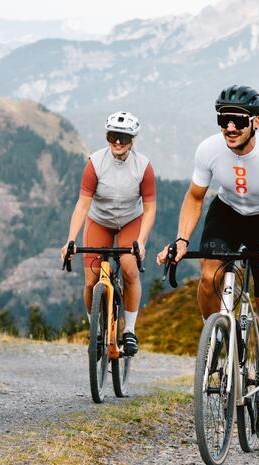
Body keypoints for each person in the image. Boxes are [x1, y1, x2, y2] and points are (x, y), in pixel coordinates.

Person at [157, 85, 259, 440]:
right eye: (223, 119)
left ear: (255, 122)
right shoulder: (209, 150)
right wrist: (180, 241)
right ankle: (217, 338)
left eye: (237, 120)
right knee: (208, 277)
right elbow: (195, 198)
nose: (229, 128)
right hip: (226, 213)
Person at [62, 111, 157, 356]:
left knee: (129, 268)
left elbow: (149, 208)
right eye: (112, 136)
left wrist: (141, 241)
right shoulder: (95, 163)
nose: (117, 142)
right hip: (100, 220)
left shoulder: (143, 166)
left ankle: (129, 331)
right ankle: (96, 330)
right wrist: (70, 239)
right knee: (91, 280)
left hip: (130, 221)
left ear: (132, 140)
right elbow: (82, 204)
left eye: (123, 138)